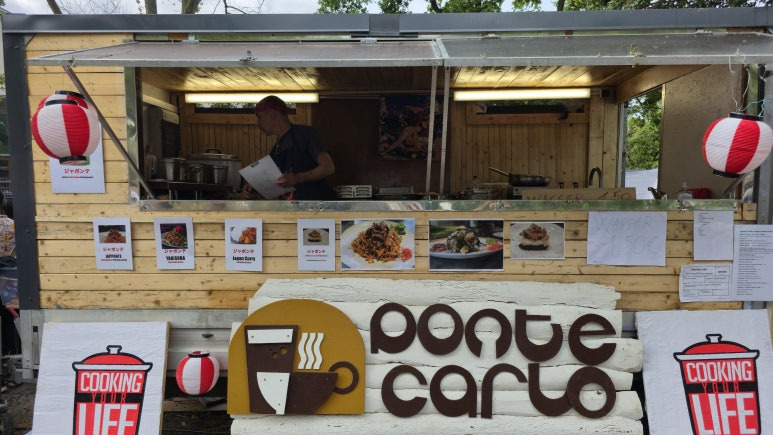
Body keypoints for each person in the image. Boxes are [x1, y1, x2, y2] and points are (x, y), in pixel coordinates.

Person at [242, 95, 336, 200]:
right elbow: (274, 182)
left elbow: (328, 168)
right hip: (289, 207)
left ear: (272, 114)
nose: (258, 123)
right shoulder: (275, 151)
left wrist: (298, 178)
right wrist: (254, 188)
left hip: (315, 206)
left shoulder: (306, 134)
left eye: (259, 117)